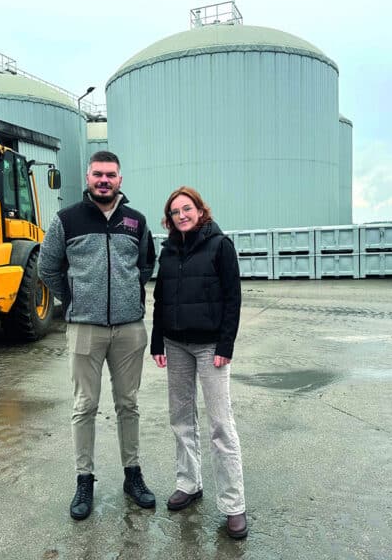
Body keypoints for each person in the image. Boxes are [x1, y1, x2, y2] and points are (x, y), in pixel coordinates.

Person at [38, 150, 157, 521]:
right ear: (88, 177)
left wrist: (128, 293)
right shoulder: (66, 219)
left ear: (120, 179)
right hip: (84, 328)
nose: (104, 180)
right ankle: (84, 479)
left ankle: (132, 475)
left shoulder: (136, 221)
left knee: (128, 404)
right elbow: (47, 267)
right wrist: (74, 299)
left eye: (110, 175)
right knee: (85, 406)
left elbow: (146, 264)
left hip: (129, 328)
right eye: (98, 174)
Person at [150, 186, 248, 539]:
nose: (182, 215)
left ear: (200, 210)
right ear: (169, 218)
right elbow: (160, 298)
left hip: (210, 348)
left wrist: (226, 344)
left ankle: (233, 505)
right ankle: (188, 484)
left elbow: (233, 297)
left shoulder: (220, 245)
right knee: (181, 418)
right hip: (175, 344)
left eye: (187, 208)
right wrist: (157, 340)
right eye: (175, 212)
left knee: (221, 424)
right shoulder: (168, 250)